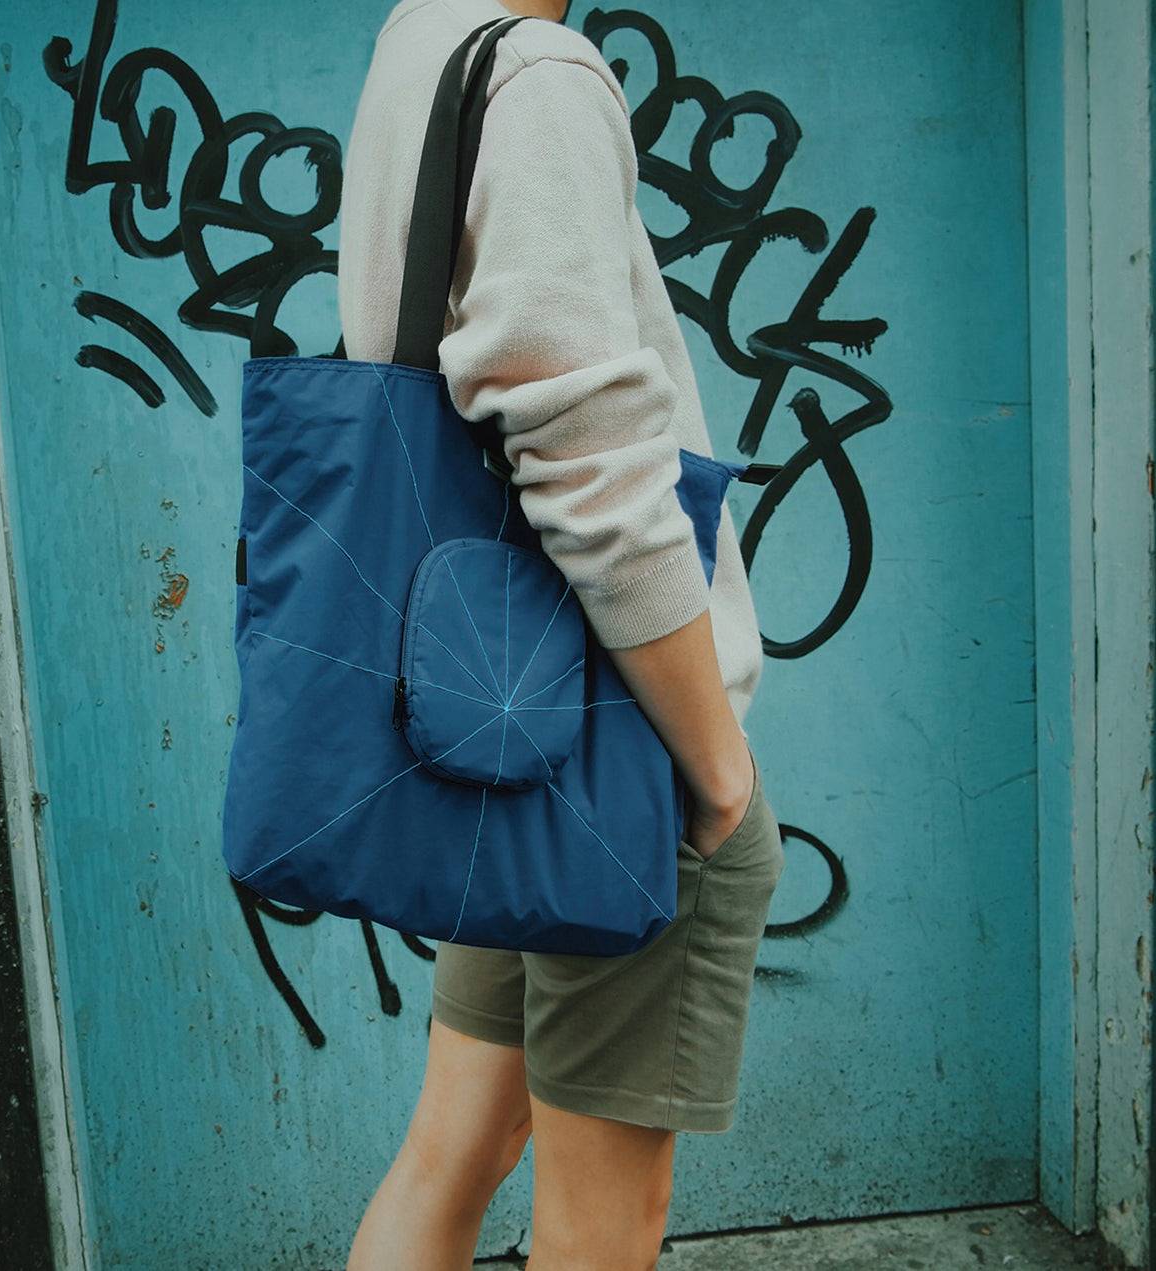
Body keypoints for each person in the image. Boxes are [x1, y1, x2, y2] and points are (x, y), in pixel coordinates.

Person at [337, 1, 787, 1266]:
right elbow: (584, 456)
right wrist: (712, 768)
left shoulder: (417, 46)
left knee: (450, 1152)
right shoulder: (534, 72)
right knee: (600, 1222)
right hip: (601, 741)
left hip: (495, 715)